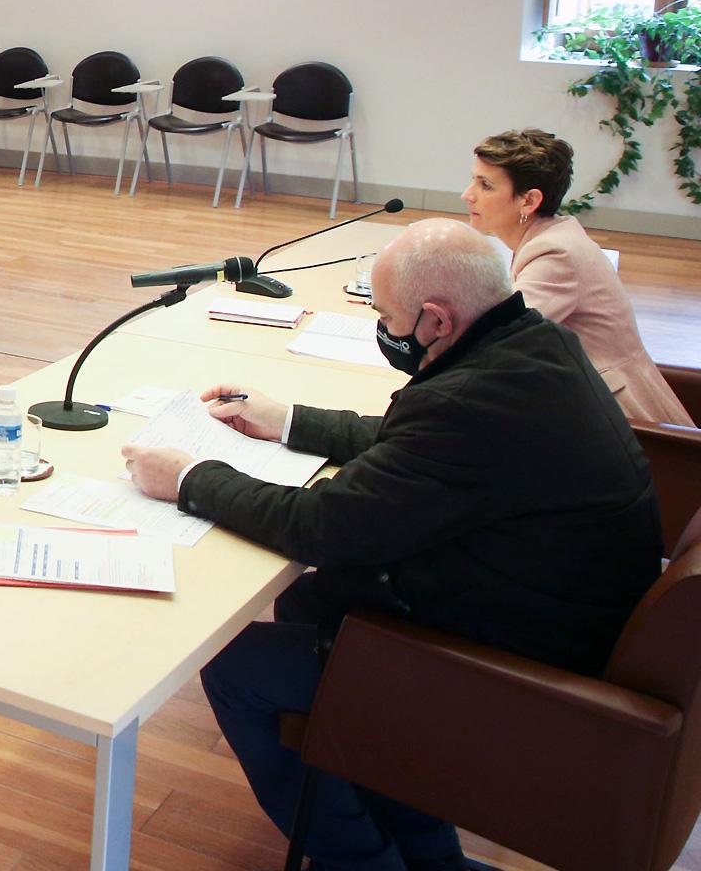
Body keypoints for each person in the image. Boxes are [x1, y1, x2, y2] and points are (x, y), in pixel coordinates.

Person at [121, 218, 662, 871]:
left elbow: (320, 527)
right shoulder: (533, 345)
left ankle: (363, 862)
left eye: (386, 313)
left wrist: (188, 478)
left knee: (238, 669)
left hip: (520, 671)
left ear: (434, 320)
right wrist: (287, 420)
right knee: (310, 604)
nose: (382, 325)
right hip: (552, 613)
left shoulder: (466, 403)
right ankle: (425, 856)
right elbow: (419, 440)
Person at [463, 128, 692, 426]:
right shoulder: (550, 237)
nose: (467, 194)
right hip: (590, 401)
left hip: (625, 421)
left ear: (529, 201)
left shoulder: (555, 253)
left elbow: (500, 340)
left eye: (485, 185)